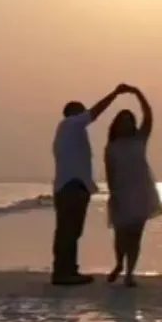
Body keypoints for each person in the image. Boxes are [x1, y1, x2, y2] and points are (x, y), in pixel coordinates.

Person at [52, 84, 130, 286]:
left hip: (72, 186)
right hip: (72, 186)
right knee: (69, 230)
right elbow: (95, 112)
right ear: (74, 113)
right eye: (81, 111)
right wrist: (114, 94)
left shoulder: (67, 131)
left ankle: (68, 269)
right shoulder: (71, 124)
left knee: (70, 230)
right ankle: (63, 272)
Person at [104, 86, 162, 287]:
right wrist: (113, 195)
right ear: (116, 125)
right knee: (121, 235)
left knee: (135, 236)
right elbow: (110, 173)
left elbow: (148, 116)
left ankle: (129, 273)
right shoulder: (112, 146)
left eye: (129, 121)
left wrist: (138, 93)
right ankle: (119, 264)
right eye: (122, 122)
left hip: (141, 192)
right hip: (121, 192)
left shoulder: (140, 139)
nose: (126, 125)